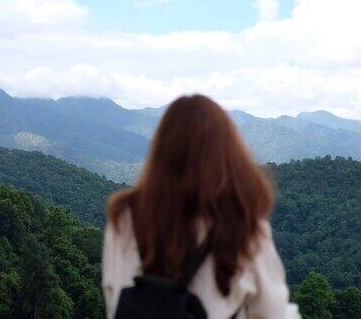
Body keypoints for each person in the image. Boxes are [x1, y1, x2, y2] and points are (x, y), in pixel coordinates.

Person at [102, 95, 301, 319]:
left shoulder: (125, 217)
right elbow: (272, 313)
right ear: (227, 152)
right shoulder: (244, 224)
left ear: (163, 148)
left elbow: (116, 303)